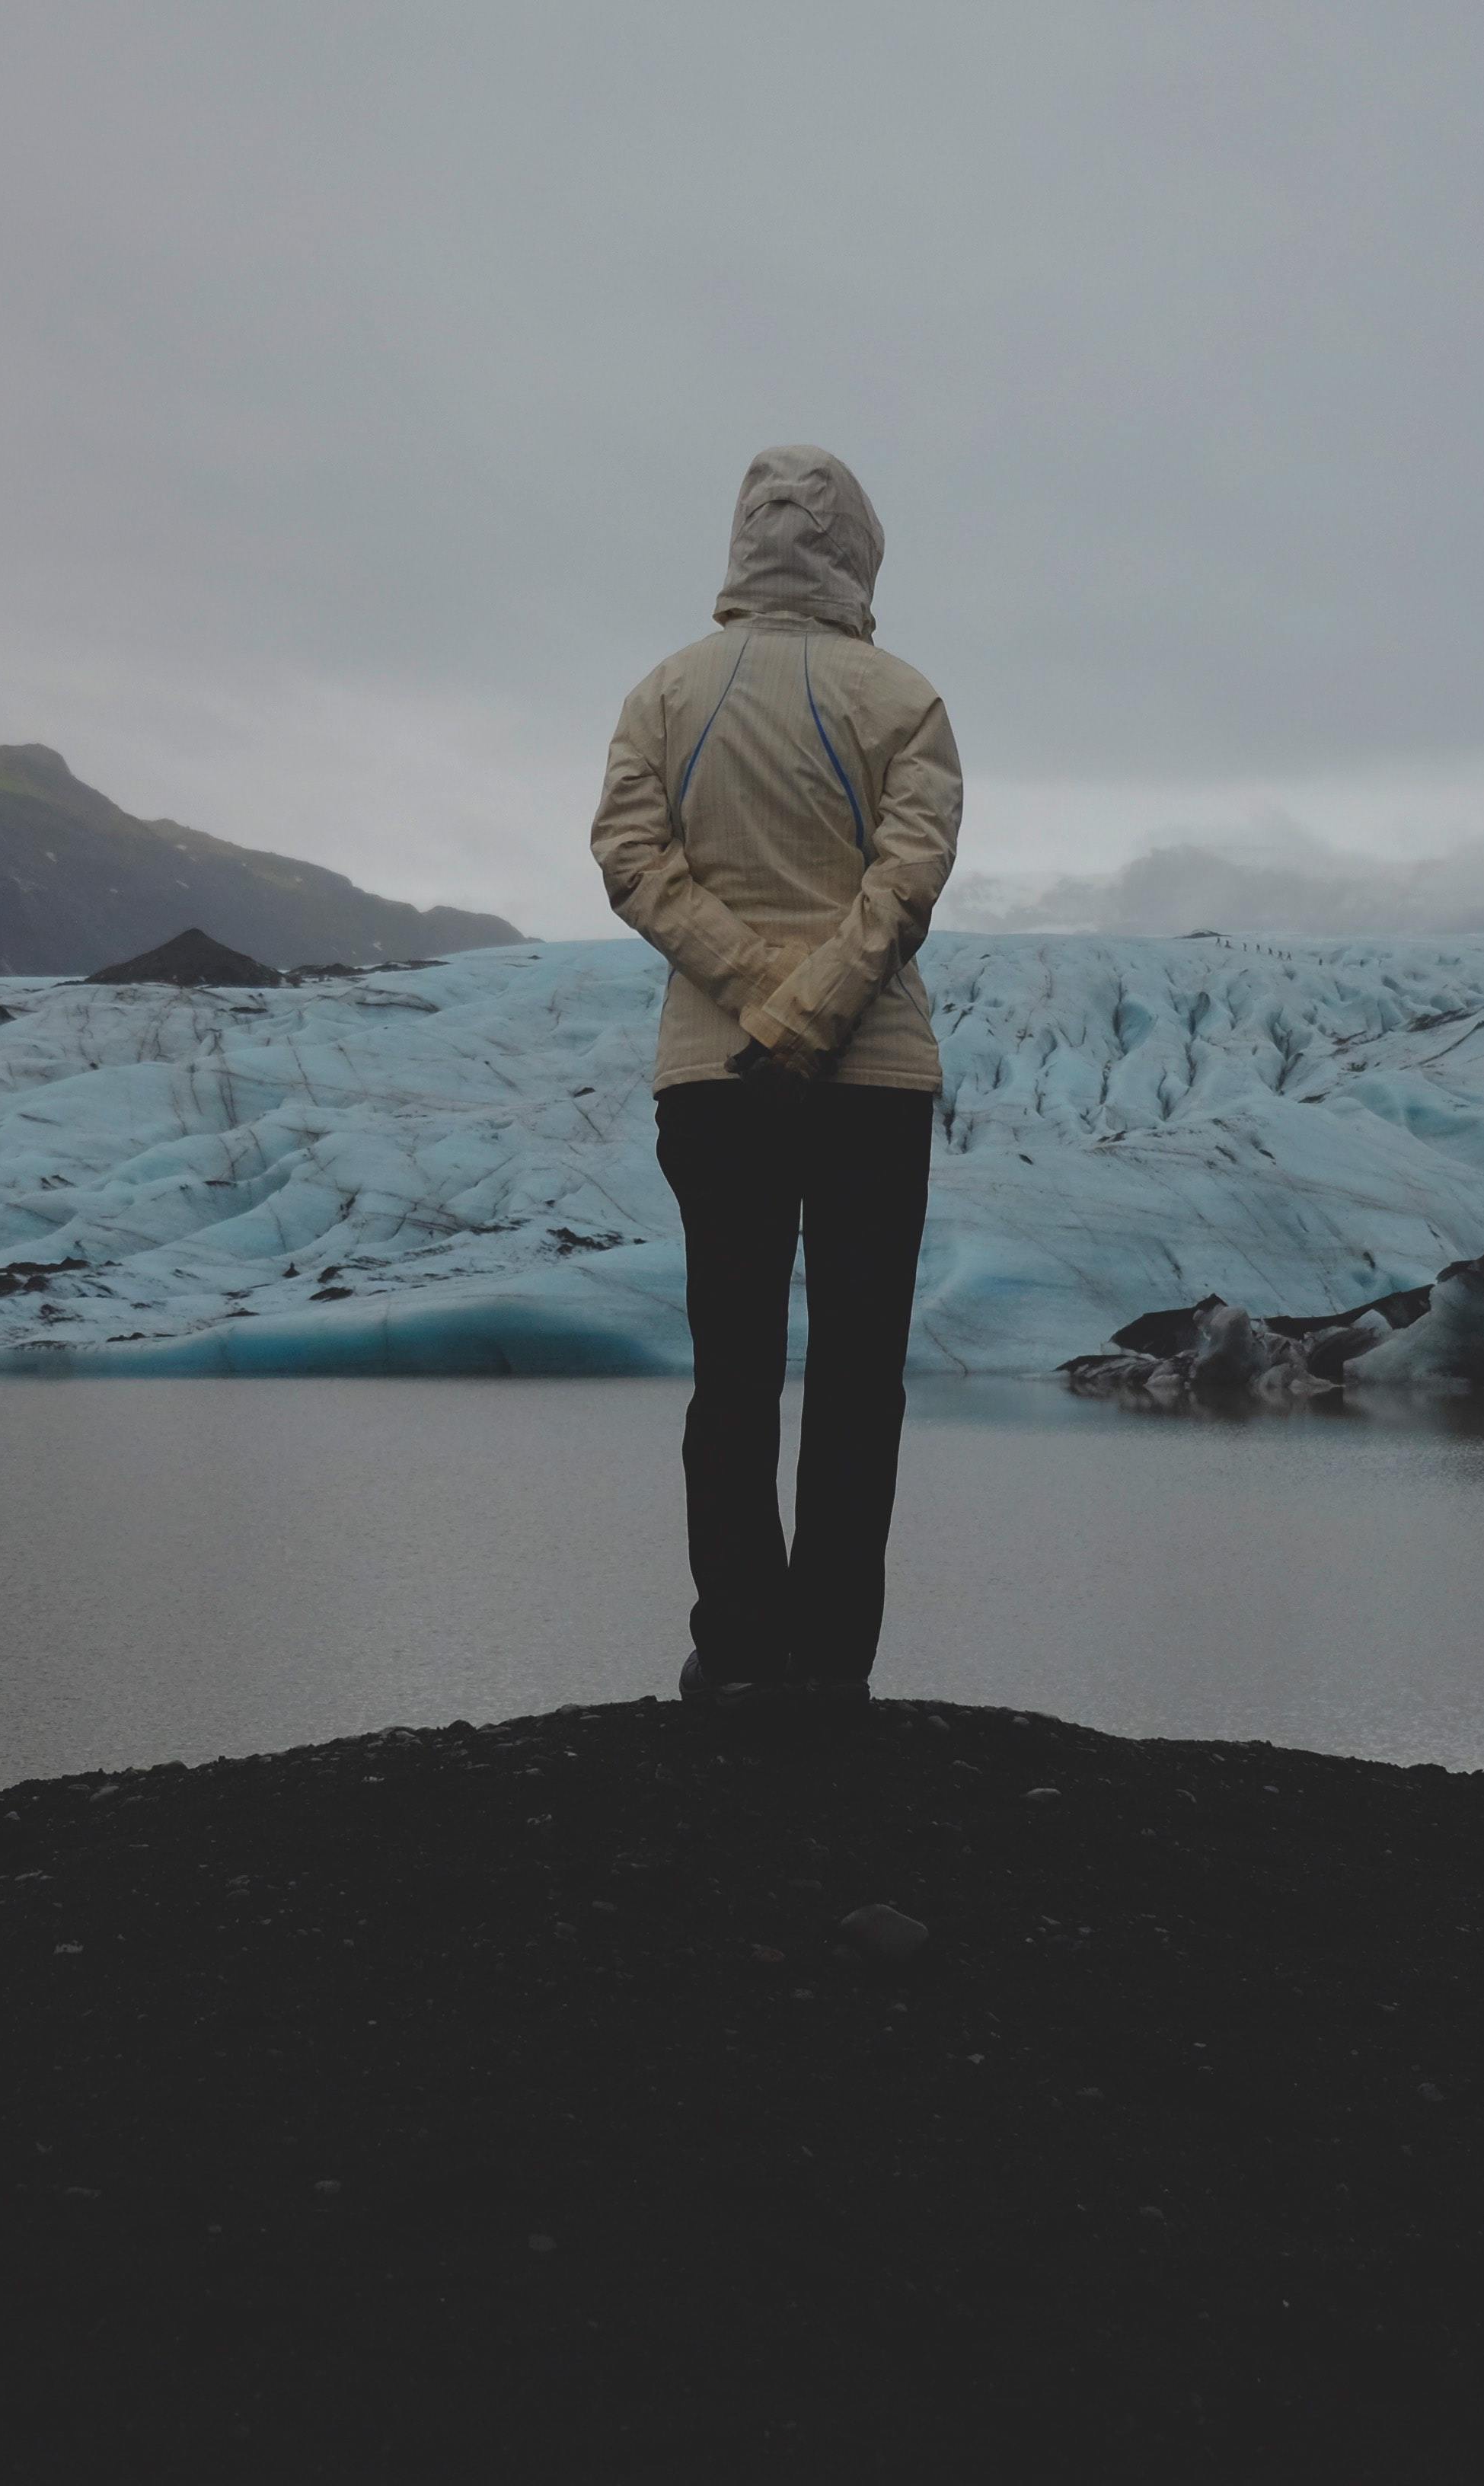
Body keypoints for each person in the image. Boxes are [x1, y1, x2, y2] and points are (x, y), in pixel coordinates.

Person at [587, 447, 964, 1713]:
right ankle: (832, 1662)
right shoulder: (901, 698)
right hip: (875, 1080)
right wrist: (815, 1002)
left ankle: (739, 1648)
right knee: (860, 1376)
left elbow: (631, 860)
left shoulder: (663, 696)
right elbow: (907, 881)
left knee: (733, 1368)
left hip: (715, 1075)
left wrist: (752, 987)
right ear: (859, 545)